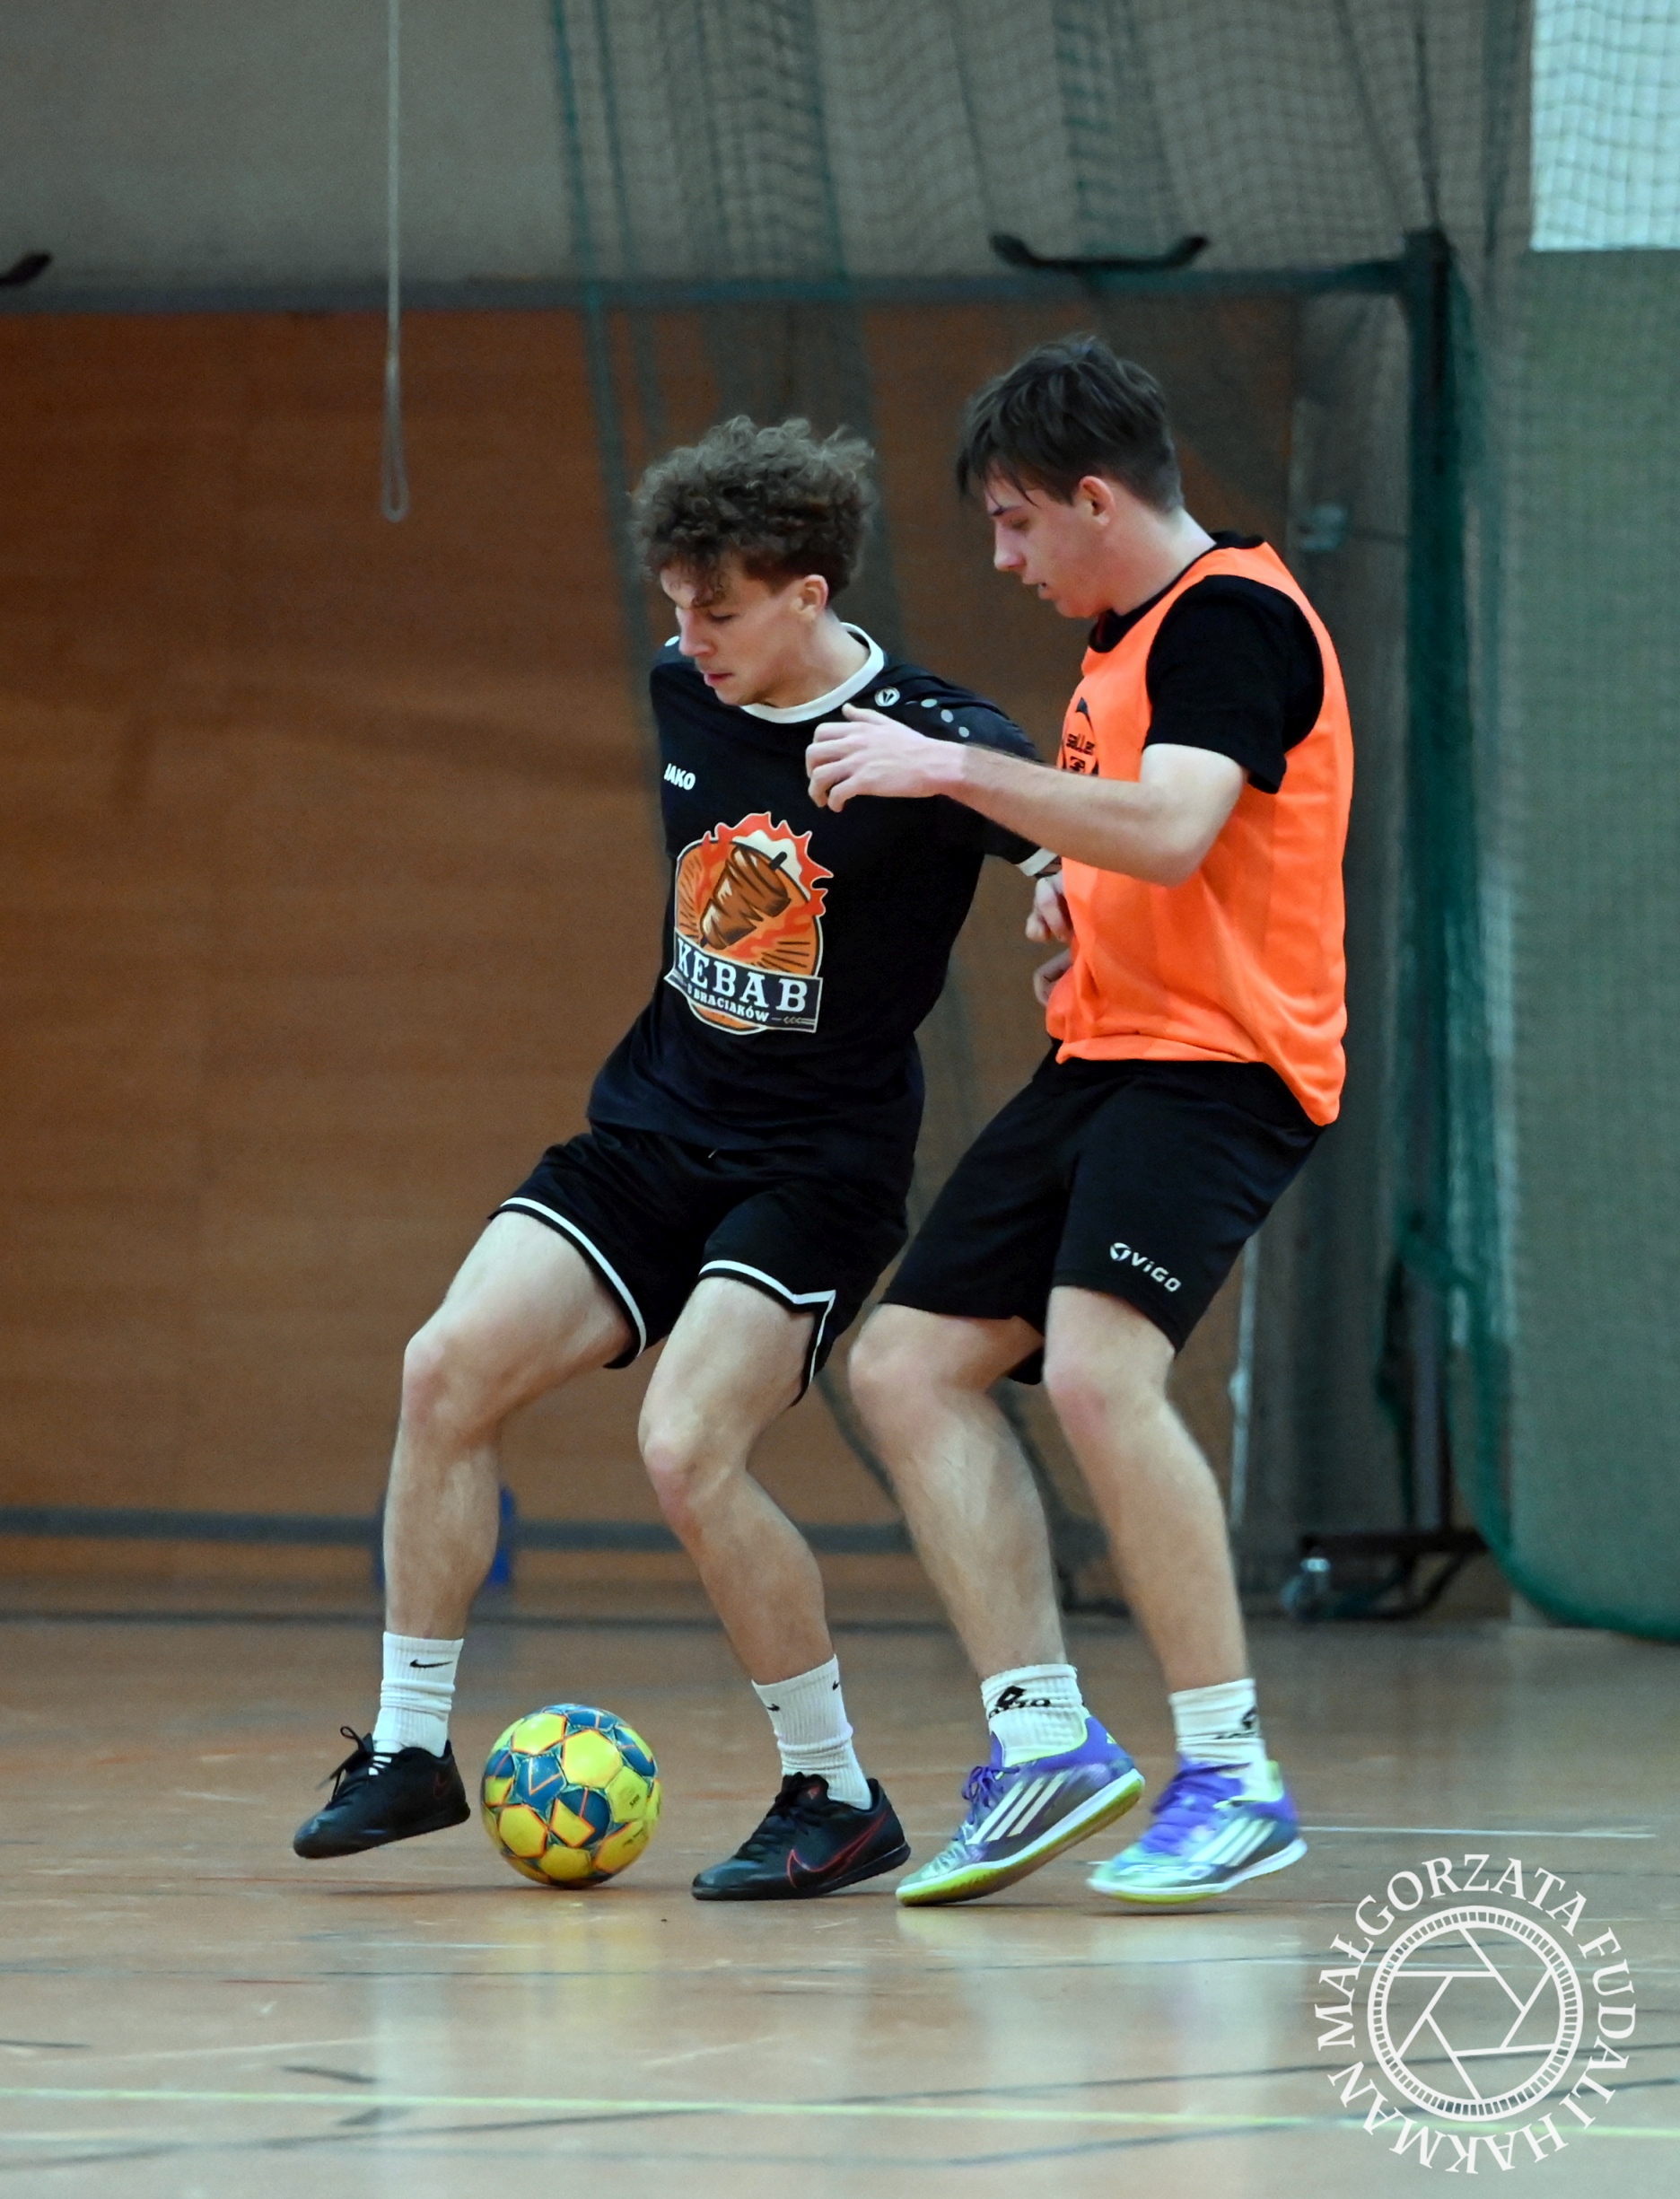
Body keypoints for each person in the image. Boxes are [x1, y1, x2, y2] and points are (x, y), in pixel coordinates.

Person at [292, 416, 1052, 1898]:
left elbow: (1078, 846)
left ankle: (835, 1792)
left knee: (686, 1447)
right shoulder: (681, 686)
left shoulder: (934, 741)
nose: (689, 639)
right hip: (651, 1127)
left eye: (720, 611)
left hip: (815, 1165)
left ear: (809, 593)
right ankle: (410, 1747)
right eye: (675, 606)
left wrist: (1064, 899)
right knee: (443, 1370)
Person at [807, 335, 1352, 1907]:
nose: (1004, 556)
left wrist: (948, 769)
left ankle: (1233, 1772)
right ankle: (1044, 1739)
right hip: (1109, 1055)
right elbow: (1154, 852)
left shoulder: (1231, 619)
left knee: (1106, 1377)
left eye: (1015, 521)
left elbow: (1175, 830)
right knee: (906, 1366)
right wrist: (1076, 905)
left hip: (1221, 1067)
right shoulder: (1127, 645)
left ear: (1095, 499)